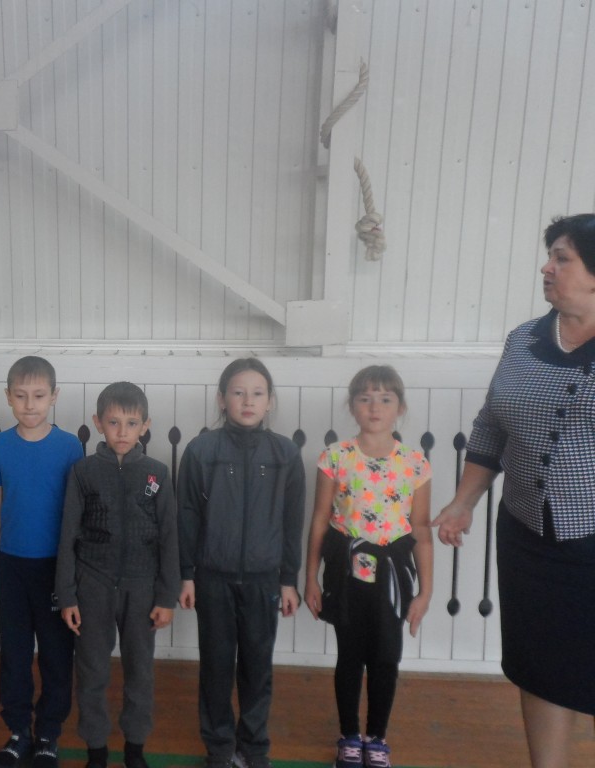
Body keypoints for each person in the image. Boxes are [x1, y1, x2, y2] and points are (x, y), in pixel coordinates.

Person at [433, 214, 595, 768]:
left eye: (562, 258)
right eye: (550, 256)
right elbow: (491, 427)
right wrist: (463, 502)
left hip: (591, 539)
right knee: (542, 664)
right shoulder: (524, 339)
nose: (547, 268)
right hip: (527, 536)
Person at [177, 357, 305, 768]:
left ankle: (253, 747)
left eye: (257, 393)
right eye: (238, 392)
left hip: (264, 580)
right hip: (212, 578)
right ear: (222, 399)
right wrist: (186, 575)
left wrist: (288, 579)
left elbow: (292, 522)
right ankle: (219, 747)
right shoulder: (200, 451)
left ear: (269, 401)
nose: (248, 401)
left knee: (257, 667)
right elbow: (187, 517)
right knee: (215, 667)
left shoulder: (285, 454)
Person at [304, 366, 433, 768]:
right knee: (350, 656)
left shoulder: (414, 463)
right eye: (365, 398)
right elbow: (320, 520)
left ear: (400, 407)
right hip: (347, 574)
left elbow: (421, 530)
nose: (374, 407)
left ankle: (377, 738)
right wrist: (310, 577)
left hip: (392, 576)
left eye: (385, 399)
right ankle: (349, 736)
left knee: (386, 658)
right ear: (352, 406)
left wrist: (426, 592)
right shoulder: (335, 457)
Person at [55, 382, 179, 768]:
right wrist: (67, 595)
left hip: (142, 590)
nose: (122, 431)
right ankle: (95, 749)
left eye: (132, 423)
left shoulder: (157, 474)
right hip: (92, 586)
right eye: (113, 422)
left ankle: (134, 749)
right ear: (98, 423)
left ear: (145, 426)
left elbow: (169, 538)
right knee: (91, 670)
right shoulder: (83, 472)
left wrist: (166, 597)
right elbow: (68, 535)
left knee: (140, 672)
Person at [0, 356, 83, 768]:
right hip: (11, 567)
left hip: (56, 570)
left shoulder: (70, 447)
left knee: (57, 656)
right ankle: (19, 732)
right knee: (15, 655)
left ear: (54, 396)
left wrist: (73, 575)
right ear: (8, 397)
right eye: (21, 396)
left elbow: (76, 513)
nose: (29, 404)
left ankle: (48, 736)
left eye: (39, 396)